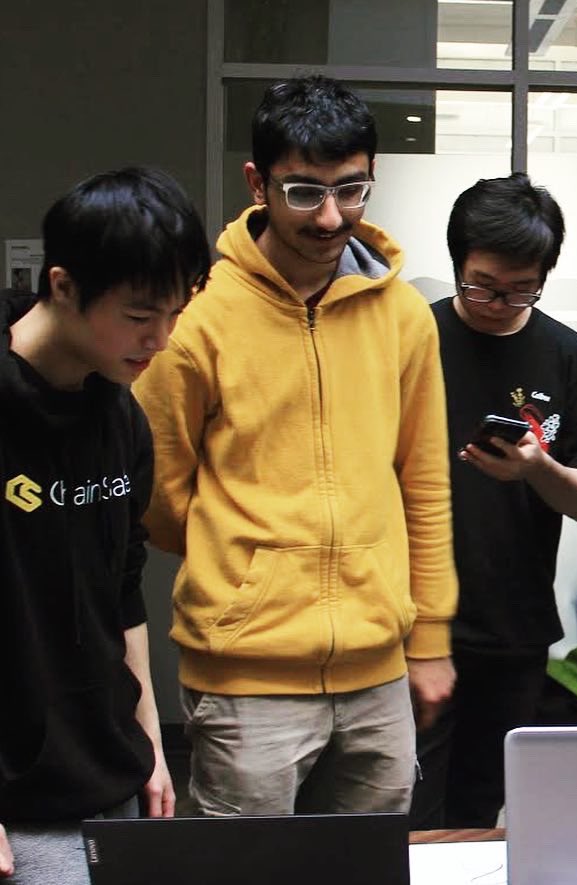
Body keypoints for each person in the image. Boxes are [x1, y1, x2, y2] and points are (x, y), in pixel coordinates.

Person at [133, 75, 458, 818]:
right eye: (304, 192)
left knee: (368, 868)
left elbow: (426, 484)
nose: (331, 215)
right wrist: (242, 554)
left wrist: (431, 636)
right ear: (257, 182)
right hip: (246, 675)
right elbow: (157, 486)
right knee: (245, 875)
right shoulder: (199, 317)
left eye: (352, 189)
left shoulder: (404, 317)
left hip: (379, 671)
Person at [0, 167, 211, 883]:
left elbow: (122, 593)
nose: (161, 338)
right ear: (62, 285)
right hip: (22, 803)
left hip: (114, 778)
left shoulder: (121, 413)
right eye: (139, 314)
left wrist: (150, 739)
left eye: (176, 313)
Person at [410, 173, 577, 829]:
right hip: (415, 626)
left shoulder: (567, 355)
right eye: (482, 284)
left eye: (521, 288)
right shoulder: (414, 338)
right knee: (408, 810)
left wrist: (535, 468)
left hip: (515, 629)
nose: (498, 301)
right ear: (457, 261)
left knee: (480, 814)